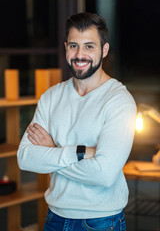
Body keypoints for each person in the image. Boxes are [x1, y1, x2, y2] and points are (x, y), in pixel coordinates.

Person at [17, 12, 137, 231]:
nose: (80, 54)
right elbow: (25, 158)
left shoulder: (119, 100)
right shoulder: (51, 97)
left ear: (105, 50)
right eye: (73, 45)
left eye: (89, 46)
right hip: (54, 217)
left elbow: (104, 175)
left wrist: (52, 151)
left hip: (101, 221)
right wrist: (80, 152)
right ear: (65, 47)